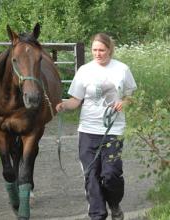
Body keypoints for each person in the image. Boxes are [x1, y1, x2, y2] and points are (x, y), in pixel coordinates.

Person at [56, 33, 137, 220]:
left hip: (113, 131)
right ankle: (97, 215)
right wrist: (63, 105)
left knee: (111, 174)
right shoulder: (84, 71)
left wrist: (124, 103)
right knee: (91, 175)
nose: (98, 54)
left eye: (101, 50)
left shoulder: (122, 69)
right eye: (94, 50)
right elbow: (75, 101)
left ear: (109, 49)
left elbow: (131, 96)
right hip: (88, 131)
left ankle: (115, 204)